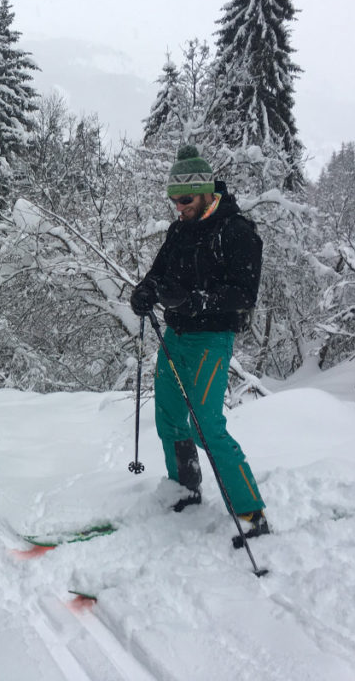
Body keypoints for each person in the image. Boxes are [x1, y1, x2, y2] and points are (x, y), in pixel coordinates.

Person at [129, 145, 269, 539]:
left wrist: (193, 301)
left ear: (207, 191)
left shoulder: (237, 232)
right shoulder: (180, 229)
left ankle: (250, 515)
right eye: (174, 200)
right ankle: (185, 489)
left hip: (211, 340)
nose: (179, 206)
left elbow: (244, 294)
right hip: (175, 337)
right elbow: (158, 272)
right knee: (170, 418)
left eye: (185, 199)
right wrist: (145, 290)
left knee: (207, 426)